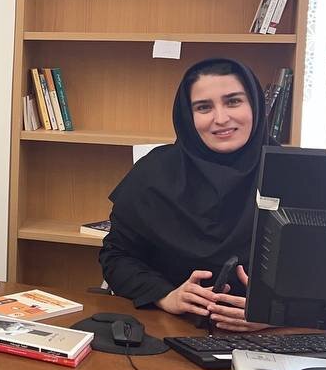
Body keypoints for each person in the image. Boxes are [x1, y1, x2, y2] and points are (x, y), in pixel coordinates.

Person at [98, 57, 269, 333]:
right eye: (203, 107)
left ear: (255, 105)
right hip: (171, 330)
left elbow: (325, 277)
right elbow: (117, 257)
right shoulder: (154, 173)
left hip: (269, 339)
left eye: (234, 101)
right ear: (188, 116)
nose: (221, 118)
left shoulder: (293, 176)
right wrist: (167, 296)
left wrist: (274, 314)